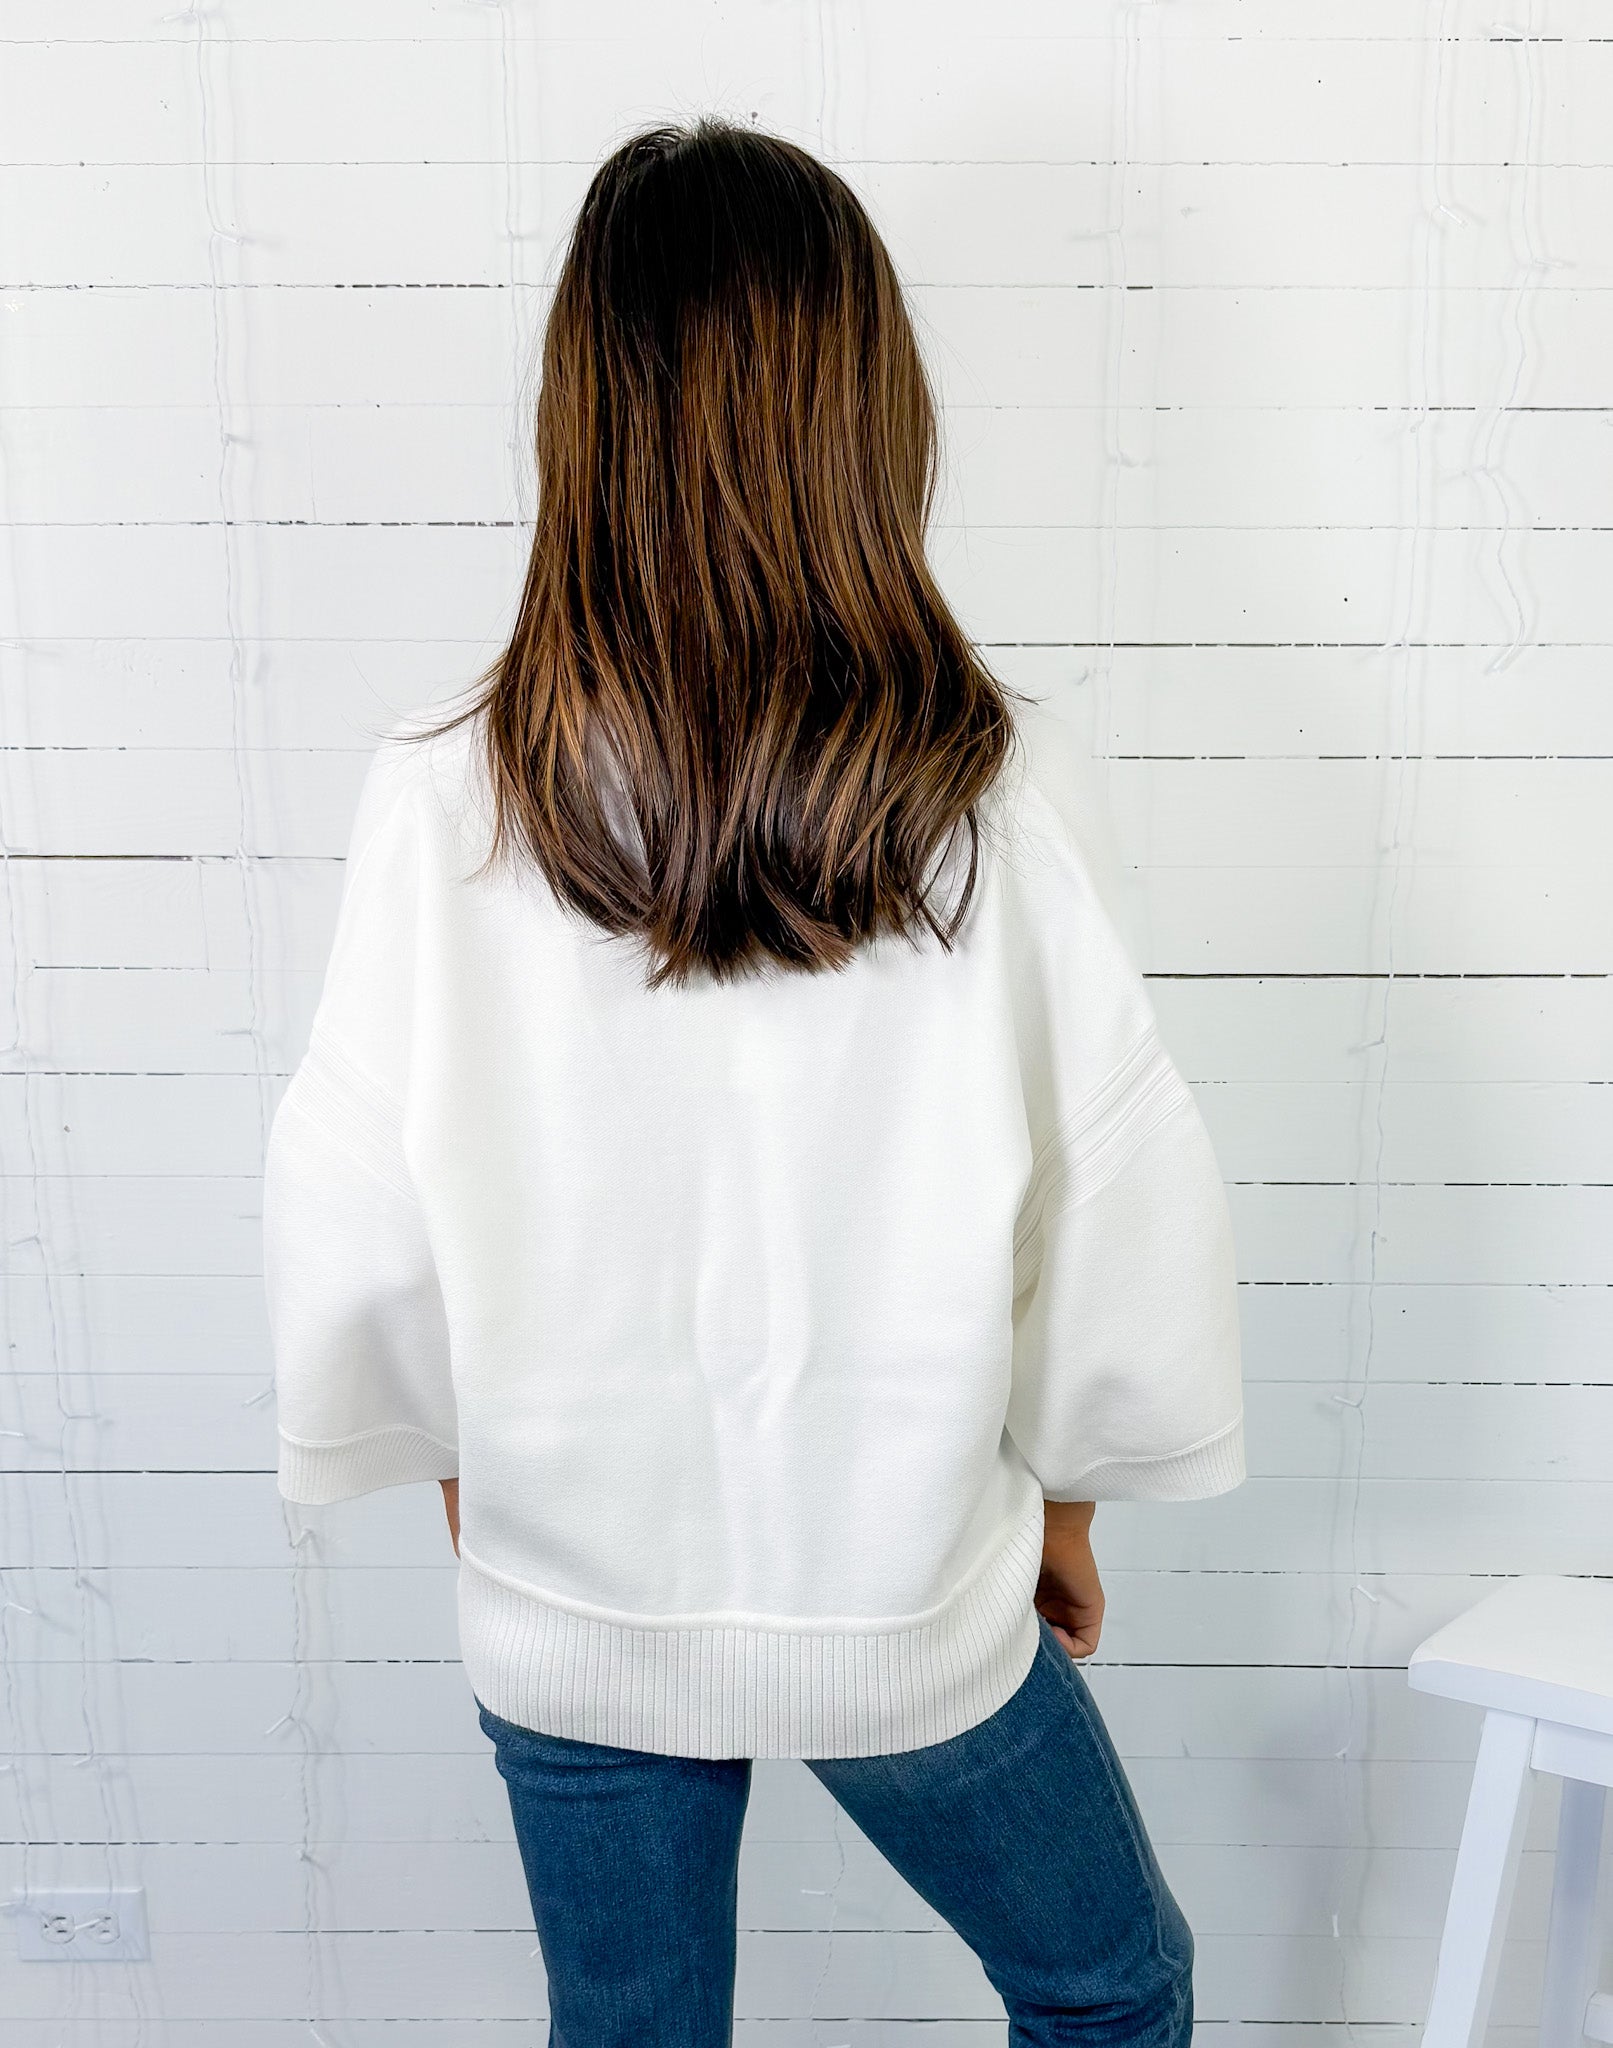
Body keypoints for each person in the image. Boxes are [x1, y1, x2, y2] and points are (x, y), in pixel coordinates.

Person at [262, 117, 1243, 2048]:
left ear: (583, 418)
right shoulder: (985, 795)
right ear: (861, 412)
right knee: (1113, 1993)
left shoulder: (442, 793)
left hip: (569, 1596)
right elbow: (1104, 1185)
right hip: (904, 1604)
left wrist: (468, 1459)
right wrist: (1068, 1501)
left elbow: (362, 1206)